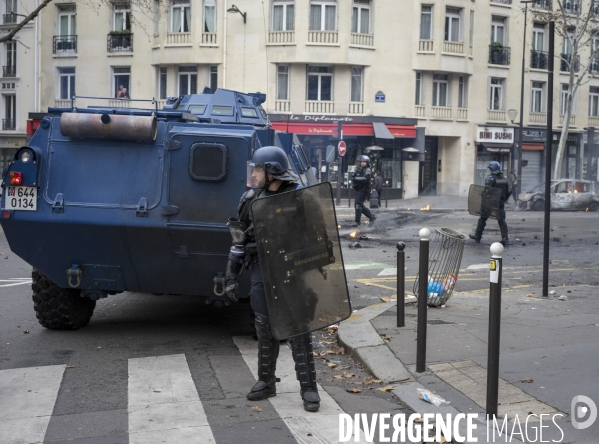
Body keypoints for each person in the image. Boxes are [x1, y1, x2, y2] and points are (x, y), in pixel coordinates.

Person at [224, 146, 321, 413]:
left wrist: (301, 259)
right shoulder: (250, 199)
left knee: (298, 329)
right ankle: (266, 382)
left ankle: (309, 387)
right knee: (264, 328)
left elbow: (320, 240)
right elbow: (238, 241)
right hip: (261, 271)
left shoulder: (301, 199)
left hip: (292, 271)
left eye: (258, 168)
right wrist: (231, 276)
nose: (254, 174)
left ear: (272, 171)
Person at [469, 161, 510, 246]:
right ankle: (505, 238)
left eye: (489, 168)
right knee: (501, 220)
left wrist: (483, 202)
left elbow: (487, 192)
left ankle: (478, 236)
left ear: (492, 169)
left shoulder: (490, 178)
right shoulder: (504, 179)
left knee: (483, 218)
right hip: (500, 203)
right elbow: (506, 193)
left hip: (491, 203)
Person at [352, 155, 376, 225]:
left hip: (364, 189)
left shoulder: (367, 170)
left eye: (364, 162)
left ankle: (357, 222)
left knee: (358, 205)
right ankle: (371, 217)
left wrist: (355, 178)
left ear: (367, 163)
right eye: (361, 162)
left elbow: (365, 179)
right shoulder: (359, 169)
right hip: (358, 189)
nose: (362, 163)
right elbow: (354, 175)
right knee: (358, 205)